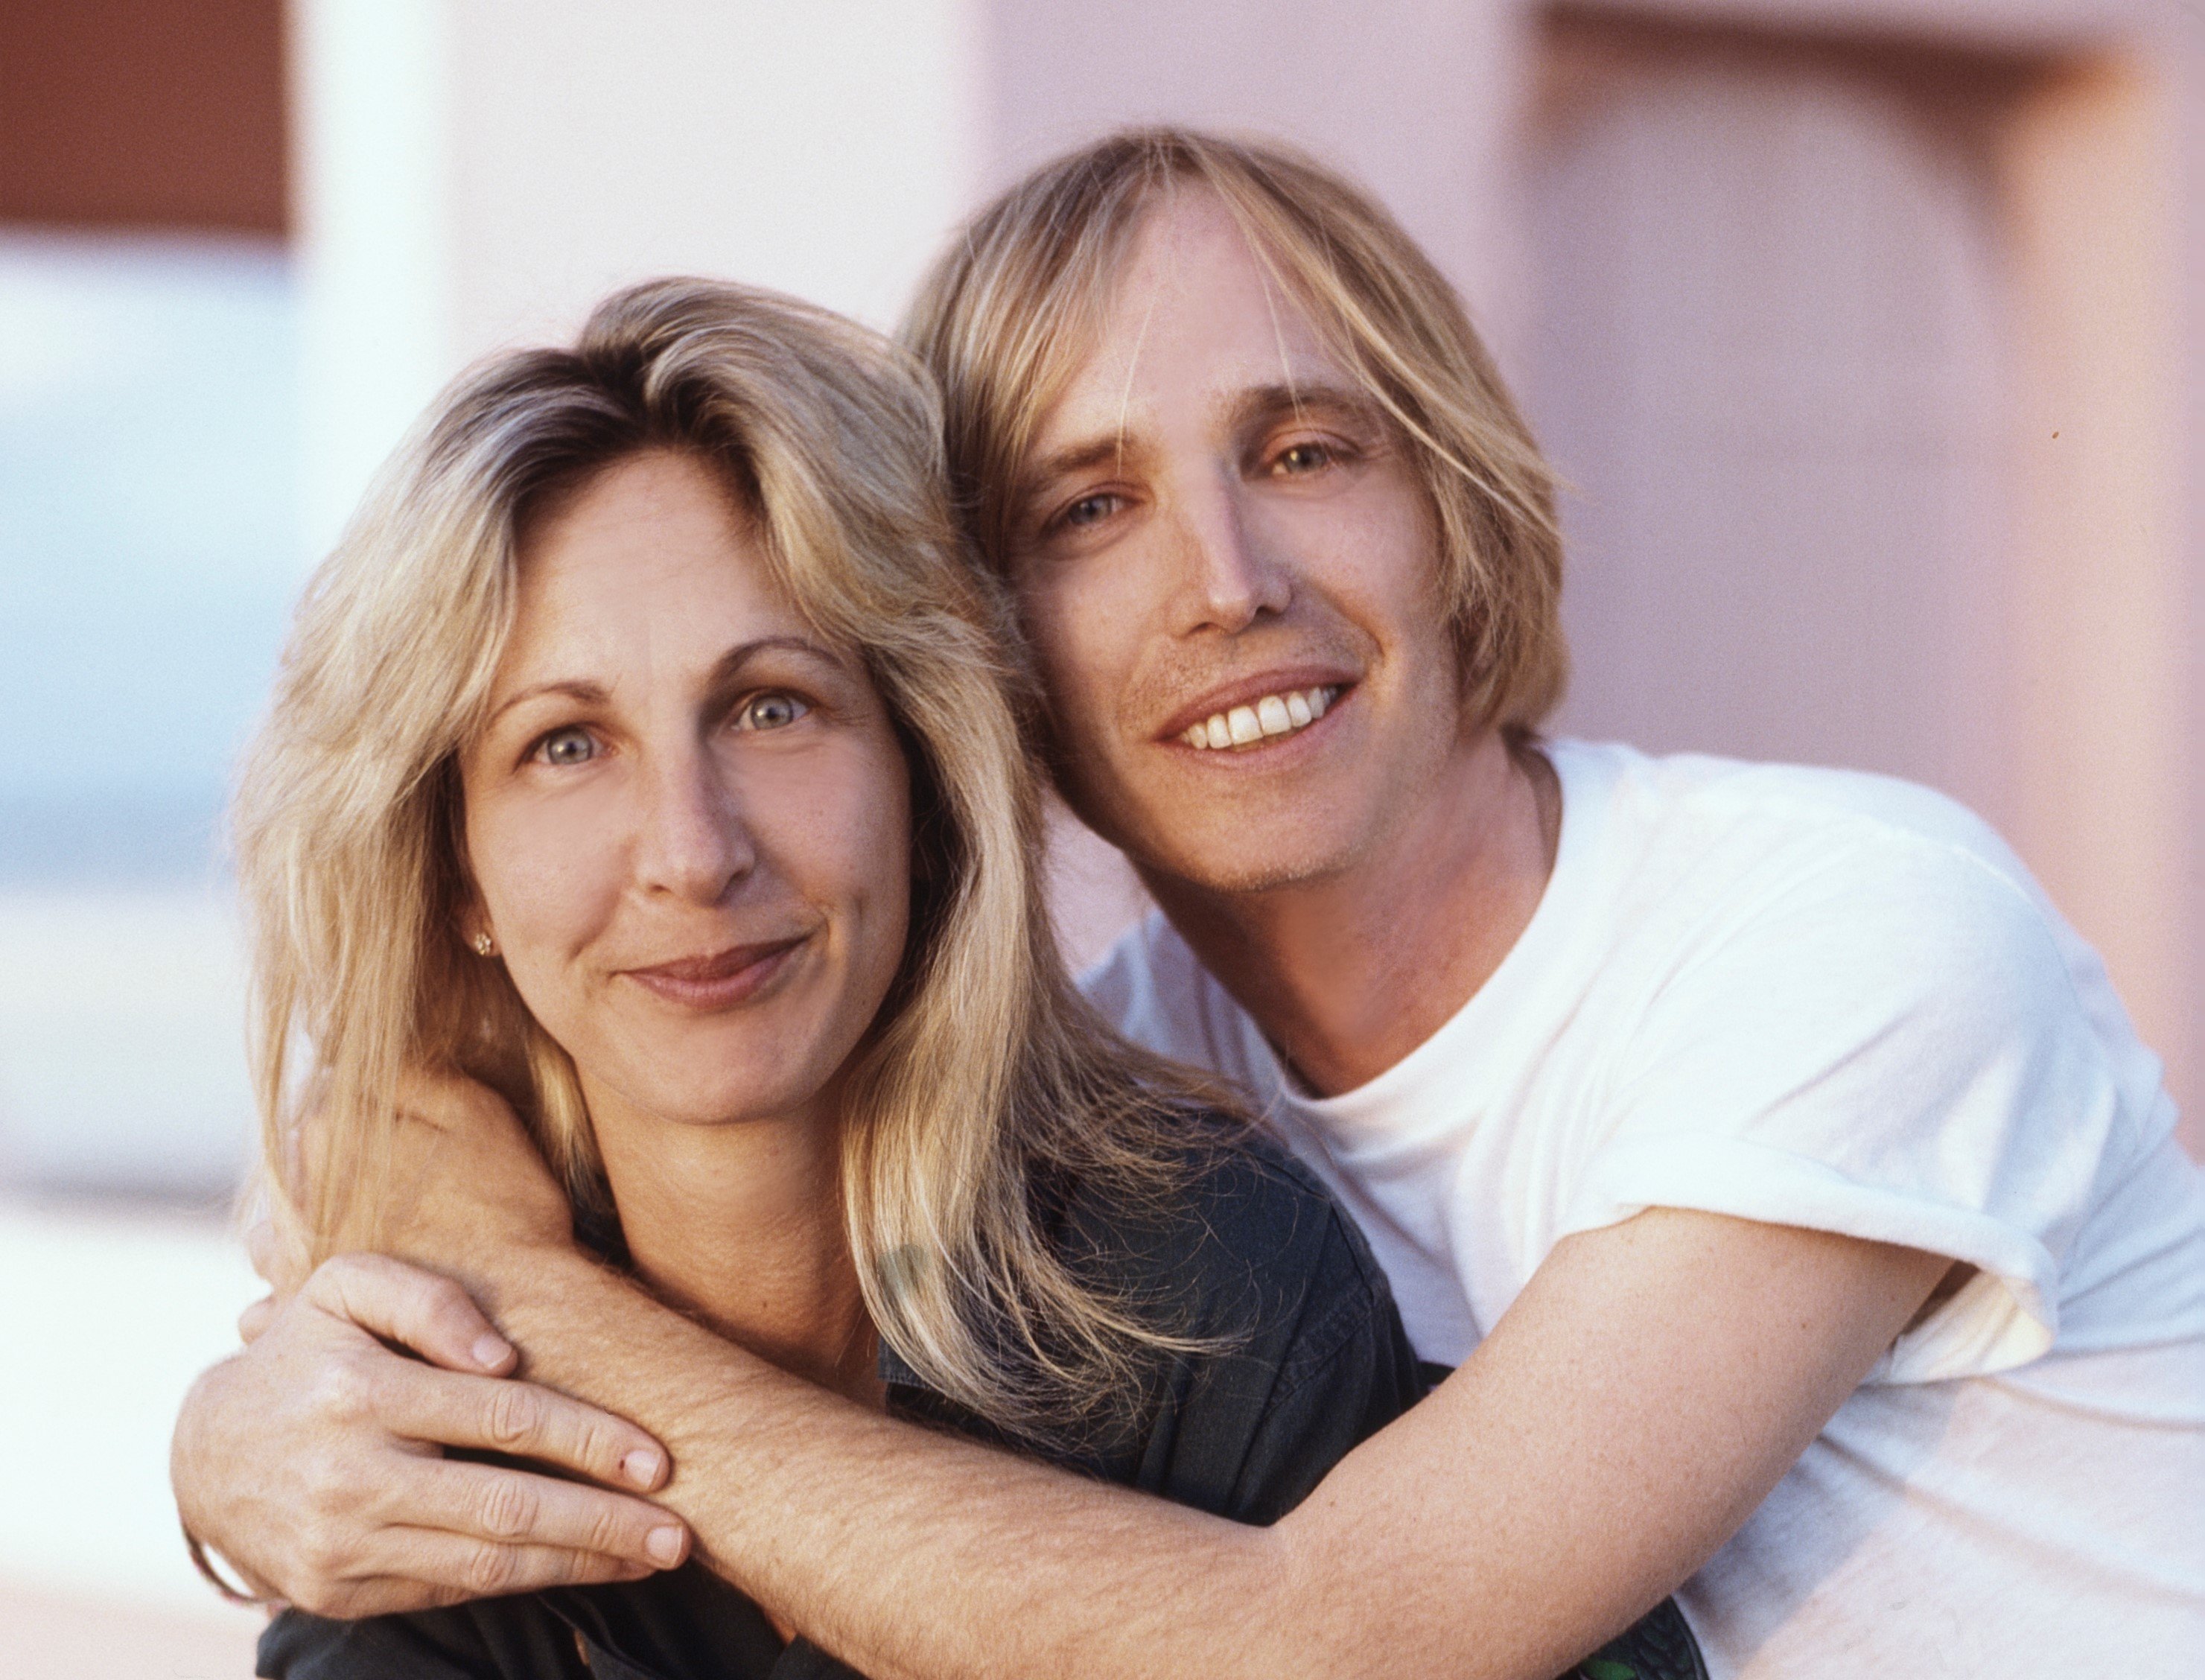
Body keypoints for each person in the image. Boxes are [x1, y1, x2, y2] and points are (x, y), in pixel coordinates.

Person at [175, 130, 2205, 1677]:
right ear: (983, 651)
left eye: (1305, 449)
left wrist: (530, 1323)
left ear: (1454, 500)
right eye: (1090, 507)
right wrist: (239, 1442)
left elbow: (1335, 1641)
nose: (1224, 578)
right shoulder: (1122, 1093)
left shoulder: (1842, 937)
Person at [202, 274, 1533, 1679]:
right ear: (456, 873)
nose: (692, 854)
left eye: (773, 706)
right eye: (565, 746)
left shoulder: (1198, 1290)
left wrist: (526, 1302)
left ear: (924, 775)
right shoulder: (402, 1416)